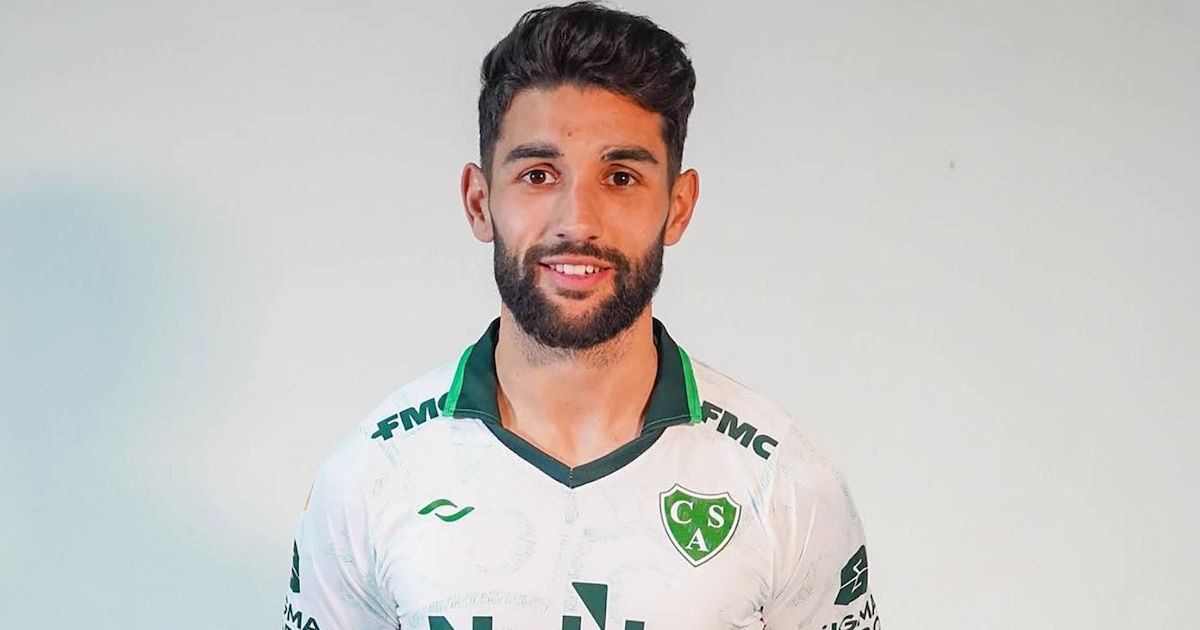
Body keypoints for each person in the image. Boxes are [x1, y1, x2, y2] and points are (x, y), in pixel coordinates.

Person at [281, 3, 881, 628]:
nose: (578, 222)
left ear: (677, 207)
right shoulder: (370, 479)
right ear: (480, 202)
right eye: (539, 174)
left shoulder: (785, 483)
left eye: (620, 177)